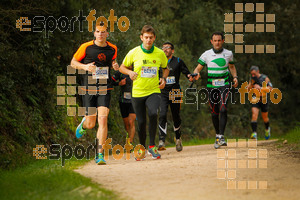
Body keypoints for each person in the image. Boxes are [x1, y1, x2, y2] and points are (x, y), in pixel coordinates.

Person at [71, 25, 119, 165]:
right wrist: (85, 67)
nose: (100, 34)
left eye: (103, 32)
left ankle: (99, 154)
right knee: (91, 124)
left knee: (103, 119)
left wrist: (115, 65)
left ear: (107, 34)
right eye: (98, 31)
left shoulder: (113, 48)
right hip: (88, 89)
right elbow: (73, 62)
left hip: (105, 88)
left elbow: (112, 61)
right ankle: (84, 125)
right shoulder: (86, 47)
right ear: (94, 33)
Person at [119, 25, 169, 160]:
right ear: (141, 38)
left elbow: (166, 68)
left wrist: (163, 79)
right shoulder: (134, 52)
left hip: (154, 91)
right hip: (138, 93)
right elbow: (122, 67)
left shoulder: (159, 53)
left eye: (151, 37)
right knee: (140, 122)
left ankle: (152, 147)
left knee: (153, 113)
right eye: (146, 37)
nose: (148, 40)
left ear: (154, 38)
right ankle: (141, 148)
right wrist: (129, 72)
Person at [192, 32, 238, 149]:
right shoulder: (206, 54)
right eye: (215, 40)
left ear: (223, 41)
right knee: (214, 112)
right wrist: (196, 74)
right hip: (211, 86)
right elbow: (198, 68)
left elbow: (232, 67)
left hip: (225, 84)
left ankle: (221, 136)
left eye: (219, 40)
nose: (217, 43)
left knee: (223, 108)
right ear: (211, 41)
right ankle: (217, 135)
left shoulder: (228, 54)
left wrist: (235, 77)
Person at [158, 42, 192, 152]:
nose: (165, 49)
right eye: (163, 48)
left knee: (175, 115)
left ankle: (178, 139)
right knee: (162, 114)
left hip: (175, 91)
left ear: (172, 51)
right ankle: (161, 140)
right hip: (162, 92)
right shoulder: (158, 61)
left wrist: (190, 77)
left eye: (167, 48)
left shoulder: (178, 61)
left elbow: (186, 72)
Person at [247, 65, 272, 140]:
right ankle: (254, 133)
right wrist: (251, 85)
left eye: (254, 74)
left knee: (265, 118)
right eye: (252, 74)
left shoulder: (265, 78)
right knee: (254, 115)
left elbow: (270, 88)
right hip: (256, 99)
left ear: (258, 71)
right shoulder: (252, 79)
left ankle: (267, 129)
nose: (253, 75)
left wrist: (260, 88)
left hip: (264, 99)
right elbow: (248, 89)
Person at [111, 70, 136, 145]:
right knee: (127, 124)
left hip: (134, 100)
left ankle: (130, 143)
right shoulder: (121, 71)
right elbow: (110, 81)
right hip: (123, 101)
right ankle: (128, 139)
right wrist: (119, 83)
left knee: (131, 121)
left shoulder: (137, 68)